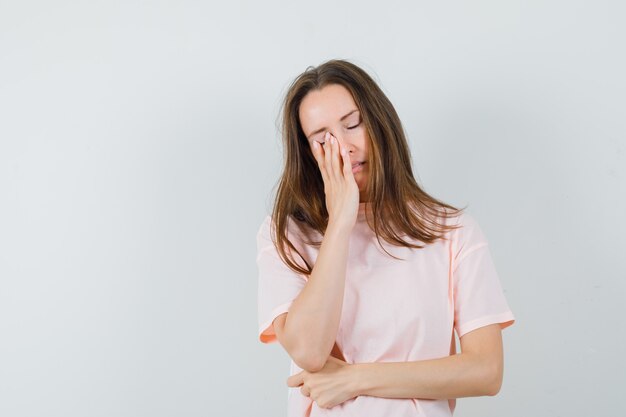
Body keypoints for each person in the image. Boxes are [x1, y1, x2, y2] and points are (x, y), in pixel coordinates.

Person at [256, 59, 515, 417]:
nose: (343, 147)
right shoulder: (286, 235)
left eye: (352, 124)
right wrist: (341, 222)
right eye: (322, 139)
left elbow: (486, 371)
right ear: (307, 153)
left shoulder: (452, 232)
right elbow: (309, 351)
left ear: (379, 121)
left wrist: (353, 379)